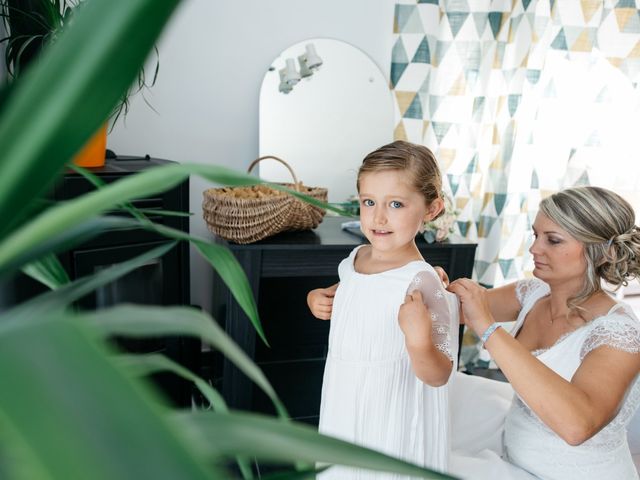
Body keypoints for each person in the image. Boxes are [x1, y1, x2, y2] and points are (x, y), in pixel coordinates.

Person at [447, 186, 640, 479]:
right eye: (536, 235)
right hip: (514, 453)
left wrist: (488, 328)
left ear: (604, 252)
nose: (535, 249)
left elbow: (576, 427)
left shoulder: (619, 334)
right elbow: (455, 310)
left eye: (553, 240)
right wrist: (433, 285)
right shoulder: (534, 293)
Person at [307, 140, 459, 477]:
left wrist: (419, 341)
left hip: (391, 410)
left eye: (396, 204)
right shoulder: (357, 257)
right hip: (345, 395)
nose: (378, 217)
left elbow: (439, 374)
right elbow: (351, 291)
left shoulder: (422, 282)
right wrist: (317, 297)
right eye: (369, 202)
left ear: (431, 210)